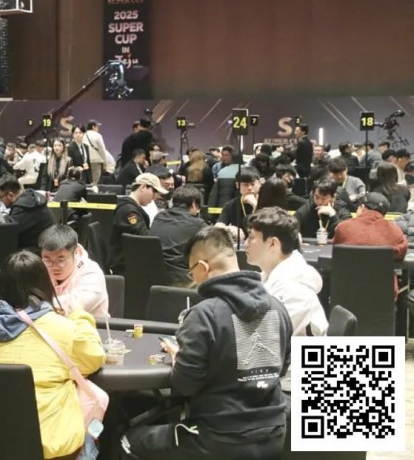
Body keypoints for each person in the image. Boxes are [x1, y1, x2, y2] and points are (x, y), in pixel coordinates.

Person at [122, 226, 292, 459]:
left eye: (191, 271)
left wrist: (178, 356)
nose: (192, 278)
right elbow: (280, 368)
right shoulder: (278, 309)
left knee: (127, 440)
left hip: (217, 437)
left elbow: (184, 385)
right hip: (273, 435)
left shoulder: (204, 314)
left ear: (203, 267)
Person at [0, 250, 105, 459]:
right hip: (49, 443)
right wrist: (80, 315)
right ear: (44, 284)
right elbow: (94, 358)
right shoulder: (61, 328)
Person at [245, 207, 328, 393]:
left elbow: (259, 347)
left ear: (273, 244)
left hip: (291, 389)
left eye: (251, 237)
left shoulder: (292, 289)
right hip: (275, 378)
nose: (246, 243)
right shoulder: (271, 276)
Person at [333, 192, 407, 292]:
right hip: (383, 294)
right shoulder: (395, 231)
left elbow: (336, 250)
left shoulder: (343, 227)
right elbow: (402, 251)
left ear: (362, 207)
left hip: (345, 292)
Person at [39, 224, 108, 317]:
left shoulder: (92, 273)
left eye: (60, 260)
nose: (53, 266)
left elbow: (74, 305)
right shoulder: (41, 268)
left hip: (89, 325)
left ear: (76, 252)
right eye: (47, 259)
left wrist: (37, 305)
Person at [109, 173, 167, 275]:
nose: (154, 197)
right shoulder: (128, 211)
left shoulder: (131, 207)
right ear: (143, 187)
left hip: (131, 260)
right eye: (154, 192)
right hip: (126, 265)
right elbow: (143, 236)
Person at [148, 185, 207, 285]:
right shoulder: (198, 224)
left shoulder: (159, 216)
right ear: (194, 204)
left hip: (153, 275)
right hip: (181, 280)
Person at [0, 174, 54, 250]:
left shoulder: (23, 207)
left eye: (1, 197)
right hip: (46, 245)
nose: (0, 201)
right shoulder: (30, 199)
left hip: (39, 250)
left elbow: (8, 231)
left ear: (10, 195)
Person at [215, 167, 260, 240]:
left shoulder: (266, 201)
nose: (249, 188)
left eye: (252, 184)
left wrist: (255, 205)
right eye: (245, 185)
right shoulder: (230, 205)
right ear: (237, 185)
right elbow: (218, 225)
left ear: (259, 184)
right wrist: (229, 229)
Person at [83, 120, 108, 184]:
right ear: (93, 127)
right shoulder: (98, 135)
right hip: (96, 161)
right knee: (95, 181)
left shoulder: (83, 135)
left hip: (85, 161)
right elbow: (102, 149)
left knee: (86, 181)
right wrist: (105, 162)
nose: (98, 128)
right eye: (97, 126)